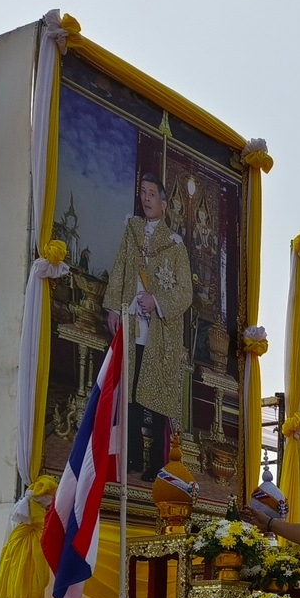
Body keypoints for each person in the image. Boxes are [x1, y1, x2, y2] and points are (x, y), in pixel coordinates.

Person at [105, 172, 193, 482]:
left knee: (155, 397)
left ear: (164, 204)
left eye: (152, 193)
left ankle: (155, 462)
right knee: (128, 392)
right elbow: (119, 269)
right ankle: (129, 456)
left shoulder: (175, 246)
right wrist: (113, 307)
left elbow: (185, 292)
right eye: (143, 192)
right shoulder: (132, 231)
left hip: (159, 333)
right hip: (131, 325)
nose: (146, 198)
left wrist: (156, 301)